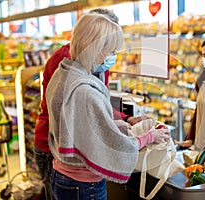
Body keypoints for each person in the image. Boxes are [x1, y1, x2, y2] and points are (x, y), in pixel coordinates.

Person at [46, 13, 170, 200]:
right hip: (84, 185)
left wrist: (119, 125)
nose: (113, 57)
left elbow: (81, 128)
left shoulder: (64, 74)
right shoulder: (84, 90)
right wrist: (151, 136)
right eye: (111, 51)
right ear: (95, 49)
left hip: (62, 175)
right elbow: (117, 145)